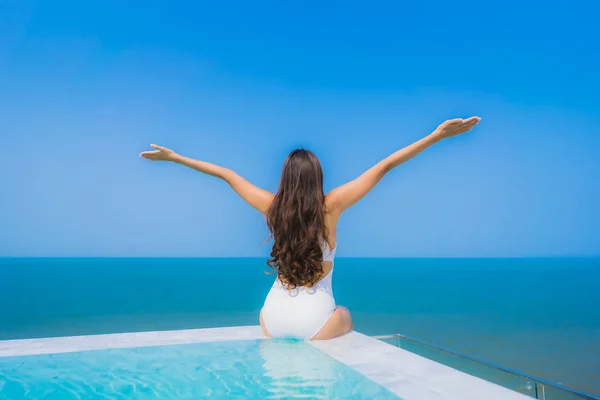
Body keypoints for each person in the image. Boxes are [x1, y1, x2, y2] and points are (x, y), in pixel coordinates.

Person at [140, 116, 481, 340]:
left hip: (270, 318)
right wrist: (435, 136)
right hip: (315, 323)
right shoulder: (331, 206)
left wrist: (177, 158)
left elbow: (227, 174)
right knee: (345, 314)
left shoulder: (273, 206)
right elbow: (386, 165)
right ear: (317, 177)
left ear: (285, 177)